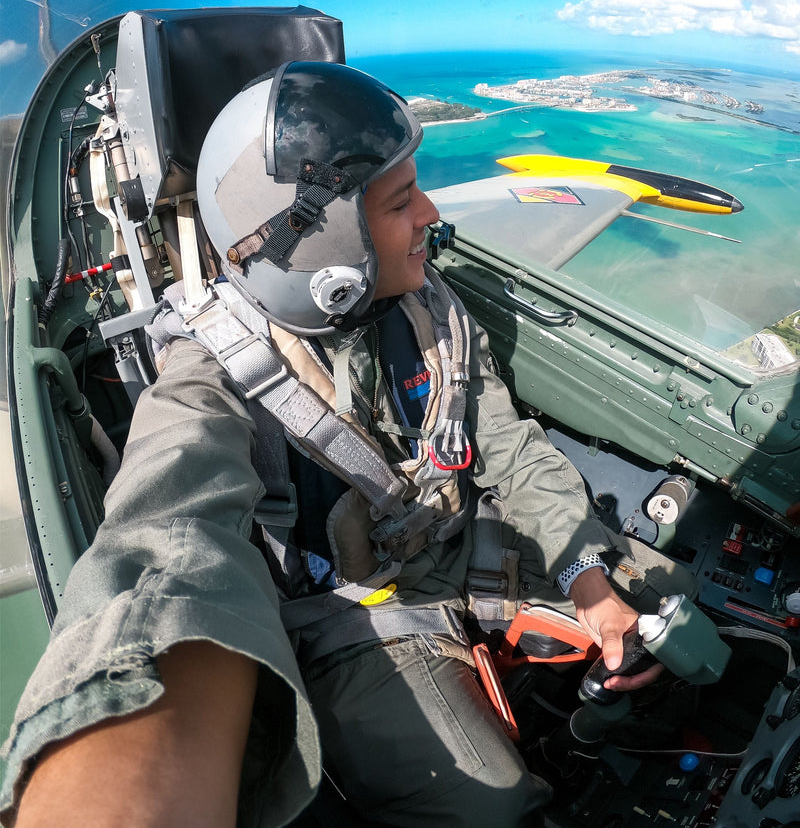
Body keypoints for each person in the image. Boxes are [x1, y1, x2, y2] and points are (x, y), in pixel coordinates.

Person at [2, 61, 696, 828]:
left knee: (674, 611)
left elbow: (506, 442)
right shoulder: (210, 378)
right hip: (353, 617)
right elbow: (164, 530)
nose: (430, 212)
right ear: (326, 245)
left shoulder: (426, 303)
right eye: (401, 201)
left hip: (462, 545)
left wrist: (587, 578)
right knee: (488, 810)